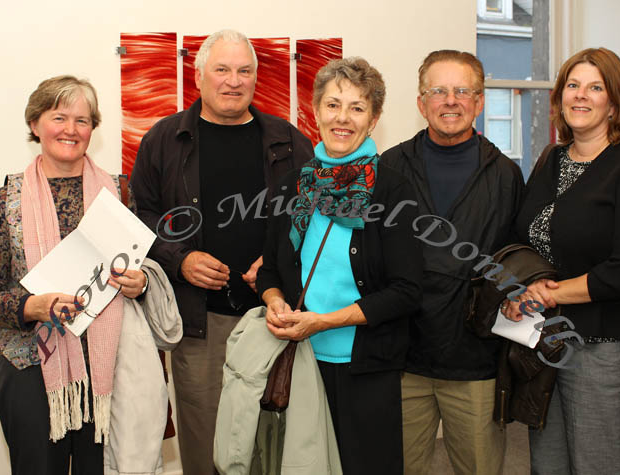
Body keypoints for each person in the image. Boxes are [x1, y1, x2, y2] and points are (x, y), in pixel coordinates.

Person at [130, 29, 313, 474]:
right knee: (206, 442)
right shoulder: (164, 139)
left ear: (255, 78)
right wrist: (180, 259)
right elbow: (140, 218)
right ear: (199, 76)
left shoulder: (288, 140)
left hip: (275, 316)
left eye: (244, 70)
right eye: (223, 70)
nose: (234, 81)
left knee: (274, 438)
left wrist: (277, 260)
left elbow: (313, 216)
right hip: (199, 321)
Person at [0, 75, 148, 475]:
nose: (70, 130)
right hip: (31, 369)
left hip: (107, 372)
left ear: (93, 129)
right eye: (59, 117)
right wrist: (33, 306)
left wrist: (141, 283)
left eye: (82, 121)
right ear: (35, 124)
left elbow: (143, 267)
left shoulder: (121, 193)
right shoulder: (5, 200)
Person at [500, 47, 620, 475]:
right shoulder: (550, 160)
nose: (581, 95)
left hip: (601, 349)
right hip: (544, 341)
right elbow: (523, 240)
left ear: (616, 101)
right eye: (572, 85)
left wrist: (546, 295)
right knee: (547, 464)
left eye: (595, 87)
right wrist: (520, 290)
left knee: (598, 465)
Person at [257, 57, 423, 475]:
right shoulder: (291, 186)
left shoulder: (392, 189)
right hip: (299, 360)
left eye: (356, 107)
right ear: (315, 111)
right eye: (333, 105)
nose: (342, 118)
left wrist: (325, 321)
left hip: (366, 366)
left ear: (374, 118)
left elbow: (406, 291)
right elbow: (270, 271)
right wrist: (275, 301)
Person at [381, 50, 524, 475]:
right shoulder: (390, 167)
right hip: (404, 354)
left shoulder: (505, 175)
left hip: (475, 358)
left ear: (479, 102)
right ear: (421, 102)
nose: (451, 100)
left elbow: (518, 253)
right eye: (439, 91)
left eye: (463, 90)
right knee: (399, 467)